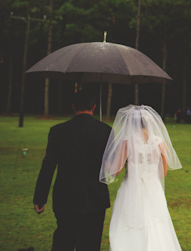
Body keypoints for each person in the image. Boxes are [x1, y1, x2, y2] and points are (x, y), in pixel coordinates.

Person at [33, 90, 112, 251]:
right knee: (91, 243)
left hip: (65, 196)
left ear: (73, 107)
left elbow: (48, 166)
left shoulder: (58, 131)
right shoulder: (105, 130)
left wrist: (40, 197)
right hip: (95, 197)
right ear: (94, 107)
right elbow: (111, 166)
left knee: (64, 241)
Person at [100, 105, 182, 251]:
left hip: (132, 187)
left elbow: (116, 171)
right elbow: (163, 173)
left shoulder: (126, 141)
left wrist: (105, 161)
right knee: (156, 222)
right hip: (153, 189)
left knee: (130, 223)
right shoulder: (159, 142)